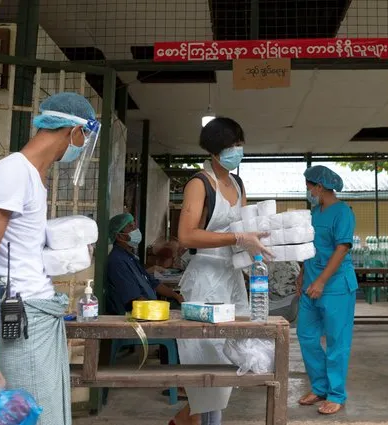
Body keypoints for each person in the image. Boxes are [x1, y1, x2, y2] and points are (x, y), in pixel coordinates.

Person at [0, 92, 101, 424]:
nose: (82, 147)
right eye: (85, 138)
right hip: (19, 317)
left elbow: (13, 249)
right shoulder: (14, 173)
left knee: (49, 415)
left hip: (36, 313)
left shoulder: (35, 178)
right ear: (75, 132)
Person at [172, 117, 271, 425]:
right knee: (204, 359)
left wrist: (256, 245)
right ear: (214, 151)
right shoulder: (199, 183)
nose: (236, 151)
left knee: (230, 358)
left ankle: (187, 420)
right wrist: (237, 237)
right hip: (204, 279)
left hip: (232, 277)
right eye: (230, 146)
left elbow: (245, 228)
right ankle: (195, 419)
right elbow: (186, 235)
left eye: (239, 145)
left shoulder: (238, 184)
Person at [296, 165, 358, 415]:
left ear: (319, 187)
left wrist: (321, 281)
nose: (308, 191)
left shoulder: (342, 213)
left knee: (336, 341)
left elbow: (342, 249)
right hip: (311, 284)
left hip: (335, 287)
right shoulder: (314, 213)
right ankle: (320, 387)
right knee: (306, 336)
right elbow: (309, 248)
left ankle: (336, 394)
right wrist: (302, 274)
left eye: (309, 187)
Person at [106, 213, 184, 314]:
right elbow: (135, 298)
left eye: (135, 225)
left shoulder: (130, 257)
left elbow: (153, 283)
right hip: (139, 313)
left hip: (149, 307)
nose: (135, 230)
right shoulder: (117, 261)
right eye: (130, 227)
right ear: (119, 236)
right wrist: (159, 311)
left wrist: (176, 296)